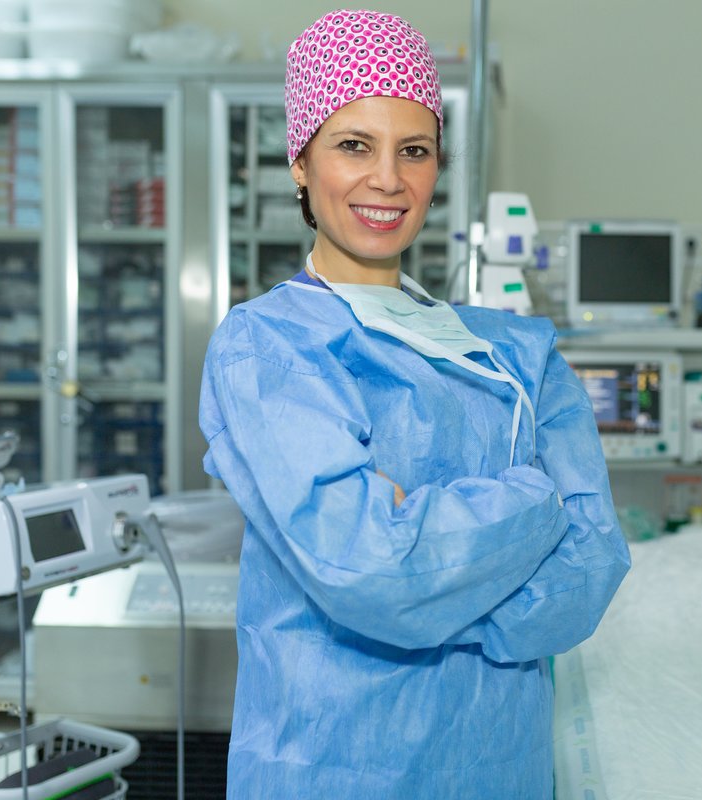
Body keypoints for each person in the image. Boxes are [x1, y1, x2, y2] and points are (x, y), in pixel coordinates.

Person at [199, 9, 630, 798]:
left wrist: (426, 573)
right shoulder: (269, 348)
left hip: (501, 770)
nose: (388, 180)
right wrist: (534, 502)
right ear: (300, 162)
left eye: (415, 150)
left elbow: (593, 564)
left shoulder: (519, 353)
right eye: (353, 146)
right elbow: (369, 566)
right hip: (331, 768)